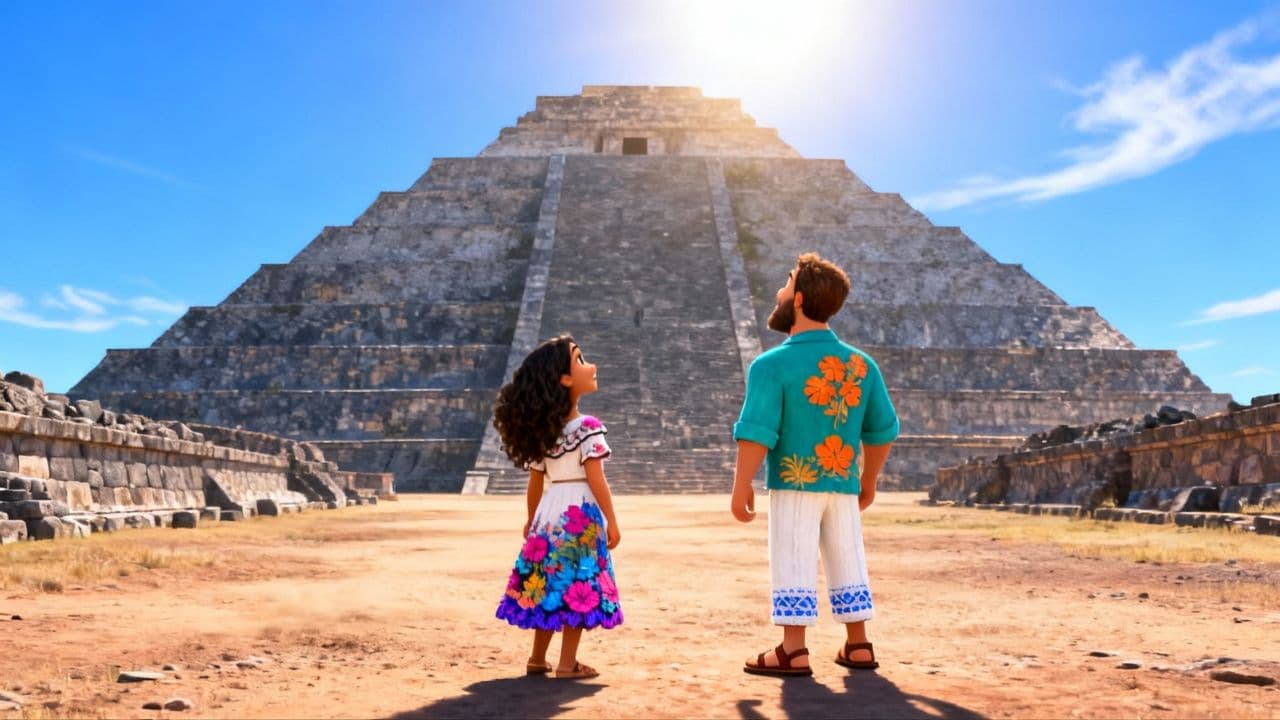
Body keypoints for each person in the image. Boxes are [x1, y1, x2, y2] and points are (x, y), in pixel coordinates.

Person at [731, 252, 899, 677]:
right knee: (847, 555)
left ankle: (792, 649)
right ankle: (858, 644)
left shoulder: (771, 365)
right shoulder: (861, 364)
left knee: (792, 554)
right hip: (842, 483)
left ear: (800, 300)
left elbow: (757, 431)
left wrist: (742, 484)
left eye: (785, 284)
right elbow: (883, 429)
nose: (778, 292)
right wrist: (869, 478)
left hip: (794, 481)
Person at [492, 335, 622, 680]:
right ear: (565, 380)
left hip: (549, 514)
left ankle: (537, 657)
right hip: (579, 513)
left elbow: (535, 482)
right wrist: (611, 519)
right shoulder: (587, 428)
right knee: (577, 584)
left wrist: (531, 521)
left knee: (548, 583)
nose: (590, 366)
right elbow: (597, 479)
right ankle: (568, 663)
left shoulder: (545, 432)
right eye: (581, 360)